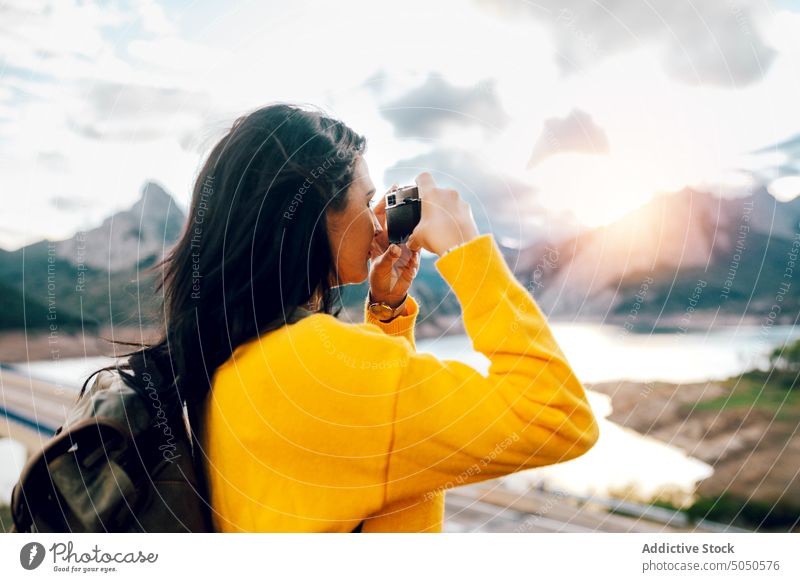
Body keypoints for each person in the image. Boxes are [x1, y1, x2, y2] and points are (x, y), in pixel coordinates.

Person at [108, 103, 599, 533]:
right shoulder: (325, 369)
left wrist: (385, 314)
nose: (380, 216)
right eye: (367, 200)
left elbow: (361, 457)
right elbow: (559, 416)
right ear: (311, 215)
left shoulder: (232, 354)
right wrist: (467, 249)